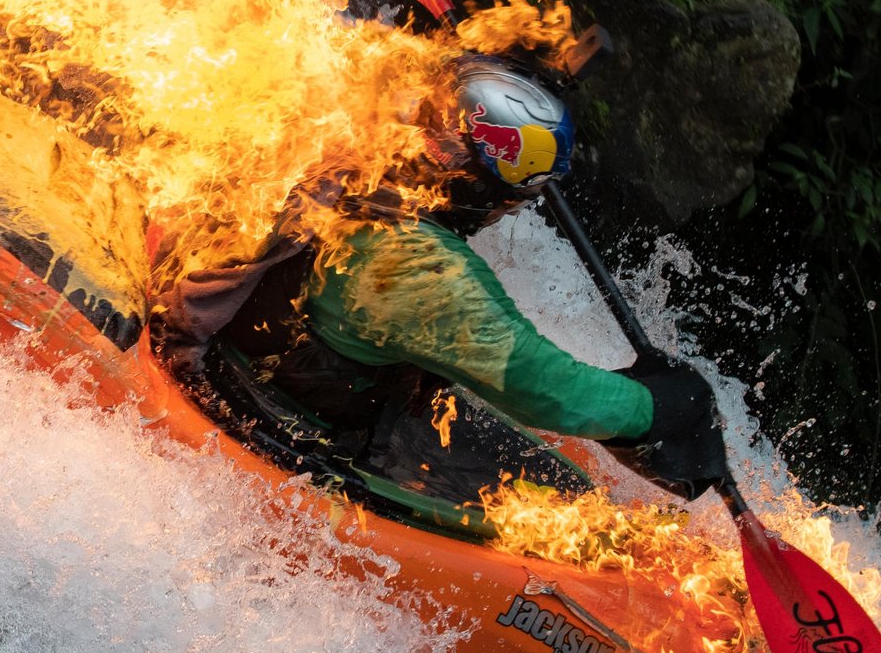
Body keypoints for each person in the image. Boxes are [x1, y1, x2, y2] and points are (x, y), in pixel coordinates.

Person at [155, 53, 728, 501]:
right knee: (573, 492)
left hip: (245, 360)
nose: (516, 210)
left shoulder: (352, 142)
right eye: (516, 196)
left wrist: (501, 71)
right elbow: (543, 389)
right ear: (480, 187)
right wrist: (660, 406)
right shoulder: (419, 268)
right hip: (279, 423)